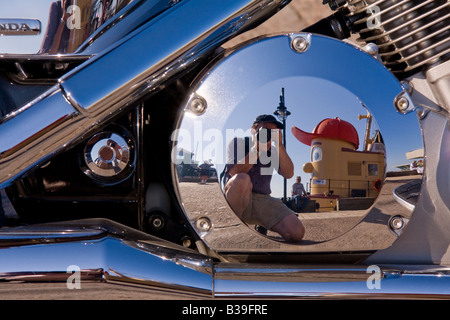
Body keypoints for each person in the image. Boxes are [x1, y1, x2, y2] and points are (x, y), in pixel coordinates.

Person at [223, 114, 305, 242]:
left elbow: (288, 174)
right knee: (242, 179)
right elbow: (234, 171)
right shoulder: (239, 142)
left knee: (296, 232)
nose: (268, 134)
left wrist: (280, 146)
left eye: (273, 131)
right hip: (240, 196)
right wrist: (257, 149)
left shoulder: (273, 151)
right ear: (253, 130)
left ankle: (260, 223)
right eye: (265, 130)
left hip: (263, 199)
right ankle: (233, 231)